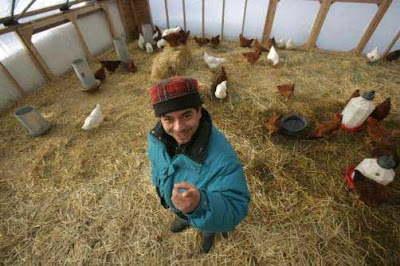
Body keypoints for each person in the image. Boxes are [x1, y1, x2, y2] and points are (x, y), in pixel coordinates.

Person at [147, 76, 250, 253]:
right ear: (161, 119)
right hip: (178, 203)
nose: (178, 128)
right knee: (183, 211)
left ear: (199, 111)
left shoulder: (223, 159)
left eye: (186, 115)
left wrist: (200, 204)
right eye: (168, 119)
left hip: (203, 208)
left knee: (206, 222)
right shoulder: (156, 139)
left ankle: (208, 232)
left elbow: (236, 208)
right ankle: (183, 216)